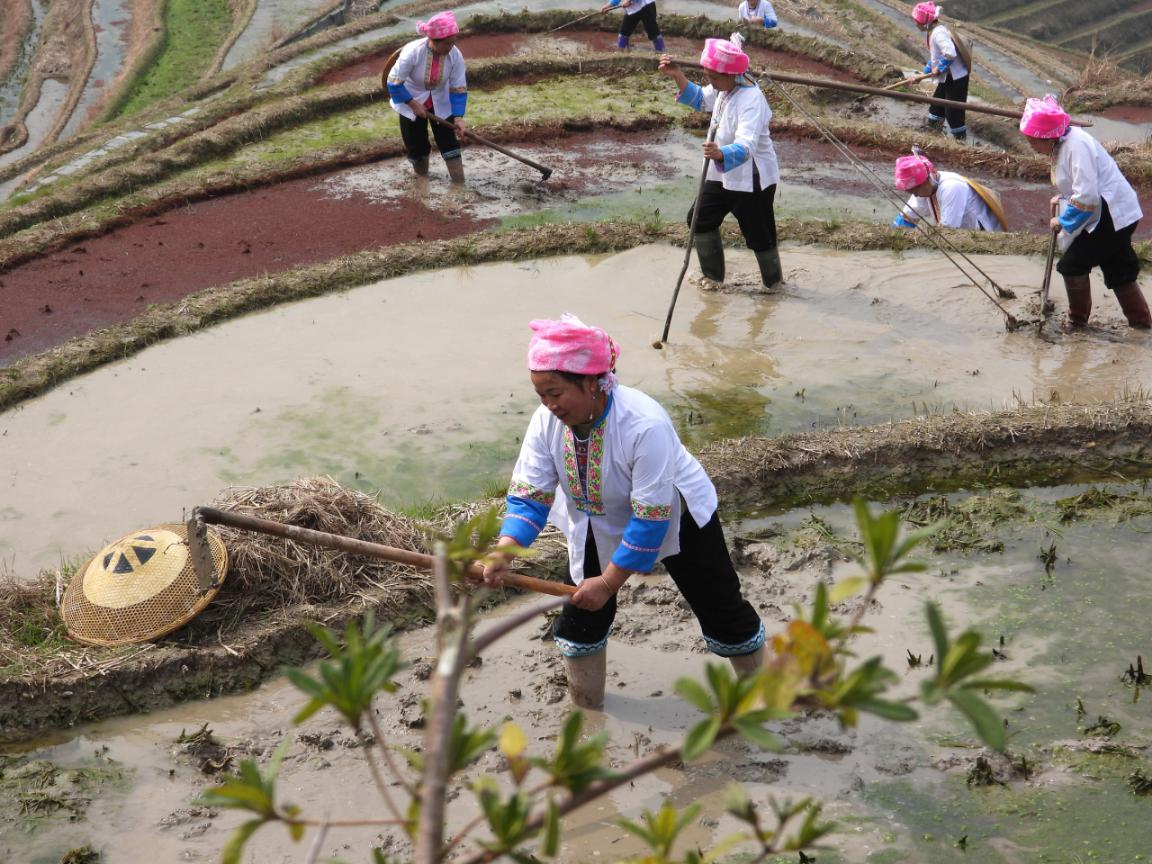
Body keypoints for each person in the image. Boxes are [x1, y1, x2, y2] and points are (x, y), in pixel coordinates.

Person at [480, 314, 766, 709]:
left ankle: (762, 700)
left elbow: (651, 519)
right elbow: (531, 494)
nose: (548, 404)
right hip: (594, 517)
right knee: (581, 618)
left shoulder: (644, 424)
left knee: (721, 609)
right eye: (540, 394)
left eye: (555, 392)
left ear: (592, 382)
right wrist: (505, 550)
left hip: (677, 516)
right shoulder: (546, 422)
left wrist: (611, 582)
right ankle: (587, 709)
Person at [659, 38, 782, 289]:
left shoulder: (752, 100)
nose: (711, 84)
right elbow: (700, 99)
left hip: (751, 180)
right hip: (721, 173)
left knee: (760, 238)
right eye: (709, 77)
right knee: (699, 219)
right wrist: (677, 75)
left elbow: (746, 145)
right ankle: (714, 281)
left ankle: (774, 287)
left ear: (732, 75)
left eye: (713, 78)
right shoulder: (724, 88)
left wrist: (720, 153)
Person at [1019, 94, 1151, 329]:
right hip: (1109, 211)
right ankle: (1142, 327)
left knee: (1072, 265)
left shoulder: (1076, 145)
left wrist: (1063, 219)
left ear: (1047, 136)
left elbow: (1088, 196)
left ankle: (1077, 323)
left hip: (1112, 213)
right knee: (1119, 271)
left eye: (1033, 141)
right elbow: (1079, 185)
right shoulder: (1062, 143)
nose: (1031, 146)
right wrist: (1062, 197)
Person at [385, 11, 468, 183]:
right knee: (416, 146)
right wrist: (412, 103)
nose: (452, 46)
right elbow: (393, 82)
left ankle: (460, 183)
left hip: (441, 102)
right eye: (448, 43)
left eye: (454, 42)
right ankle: (422, 181)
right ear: (434, 41)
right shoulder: (412, 52)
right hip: (409, 99)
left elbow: (458, 88)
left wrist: (459, 118)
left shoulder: (455, 54)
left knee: (449, 143)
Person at [892, 149, 1006, 231]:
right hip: (961, 233)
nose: (915, 196)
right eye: (910, 192)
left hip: (983, 235)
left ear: (926, 180)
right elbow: (906, 218)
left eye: (914, 191)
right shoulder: (924, 188)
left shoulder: (952, 187)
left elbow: (947, 231)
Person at [911, 2, 970, 142]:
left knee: (953, 114)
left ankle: (961, 142)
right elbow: (936, 58)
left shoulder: (938, 33)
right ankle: (934, 135)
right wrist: (923, 74)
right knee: (936, 107)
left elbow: (950, 53)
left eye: (916, 21)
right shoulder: (933, 31)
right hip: (947, 77)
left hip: (956, 79)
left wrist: (938, 69)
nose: (915, 24)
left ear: (924, 22)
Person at [600, 0, 665, 52]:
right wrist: (608, 6)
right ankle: (621, 54)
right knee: (623, 33)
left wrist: (629, 0)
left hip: (646, 5)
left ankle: (661, 53)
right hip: (632, 8)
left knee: (653, 32)